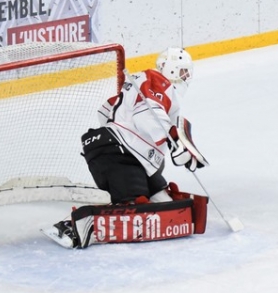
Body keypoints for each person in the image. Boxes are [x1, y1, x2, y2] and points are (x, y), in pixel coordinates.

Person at [47, 47, 208, 248]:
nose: (185, 77)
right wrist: (170, 136)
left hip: (126, 153)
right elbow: (146, 115)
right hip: (119, 154)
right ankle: (71, 226)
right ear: (172, 70)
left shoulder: (139, 83)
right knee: (134, 209)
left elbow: (106, 110)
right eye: (183, 71)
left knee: (161, 197)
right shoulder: (159, 81)